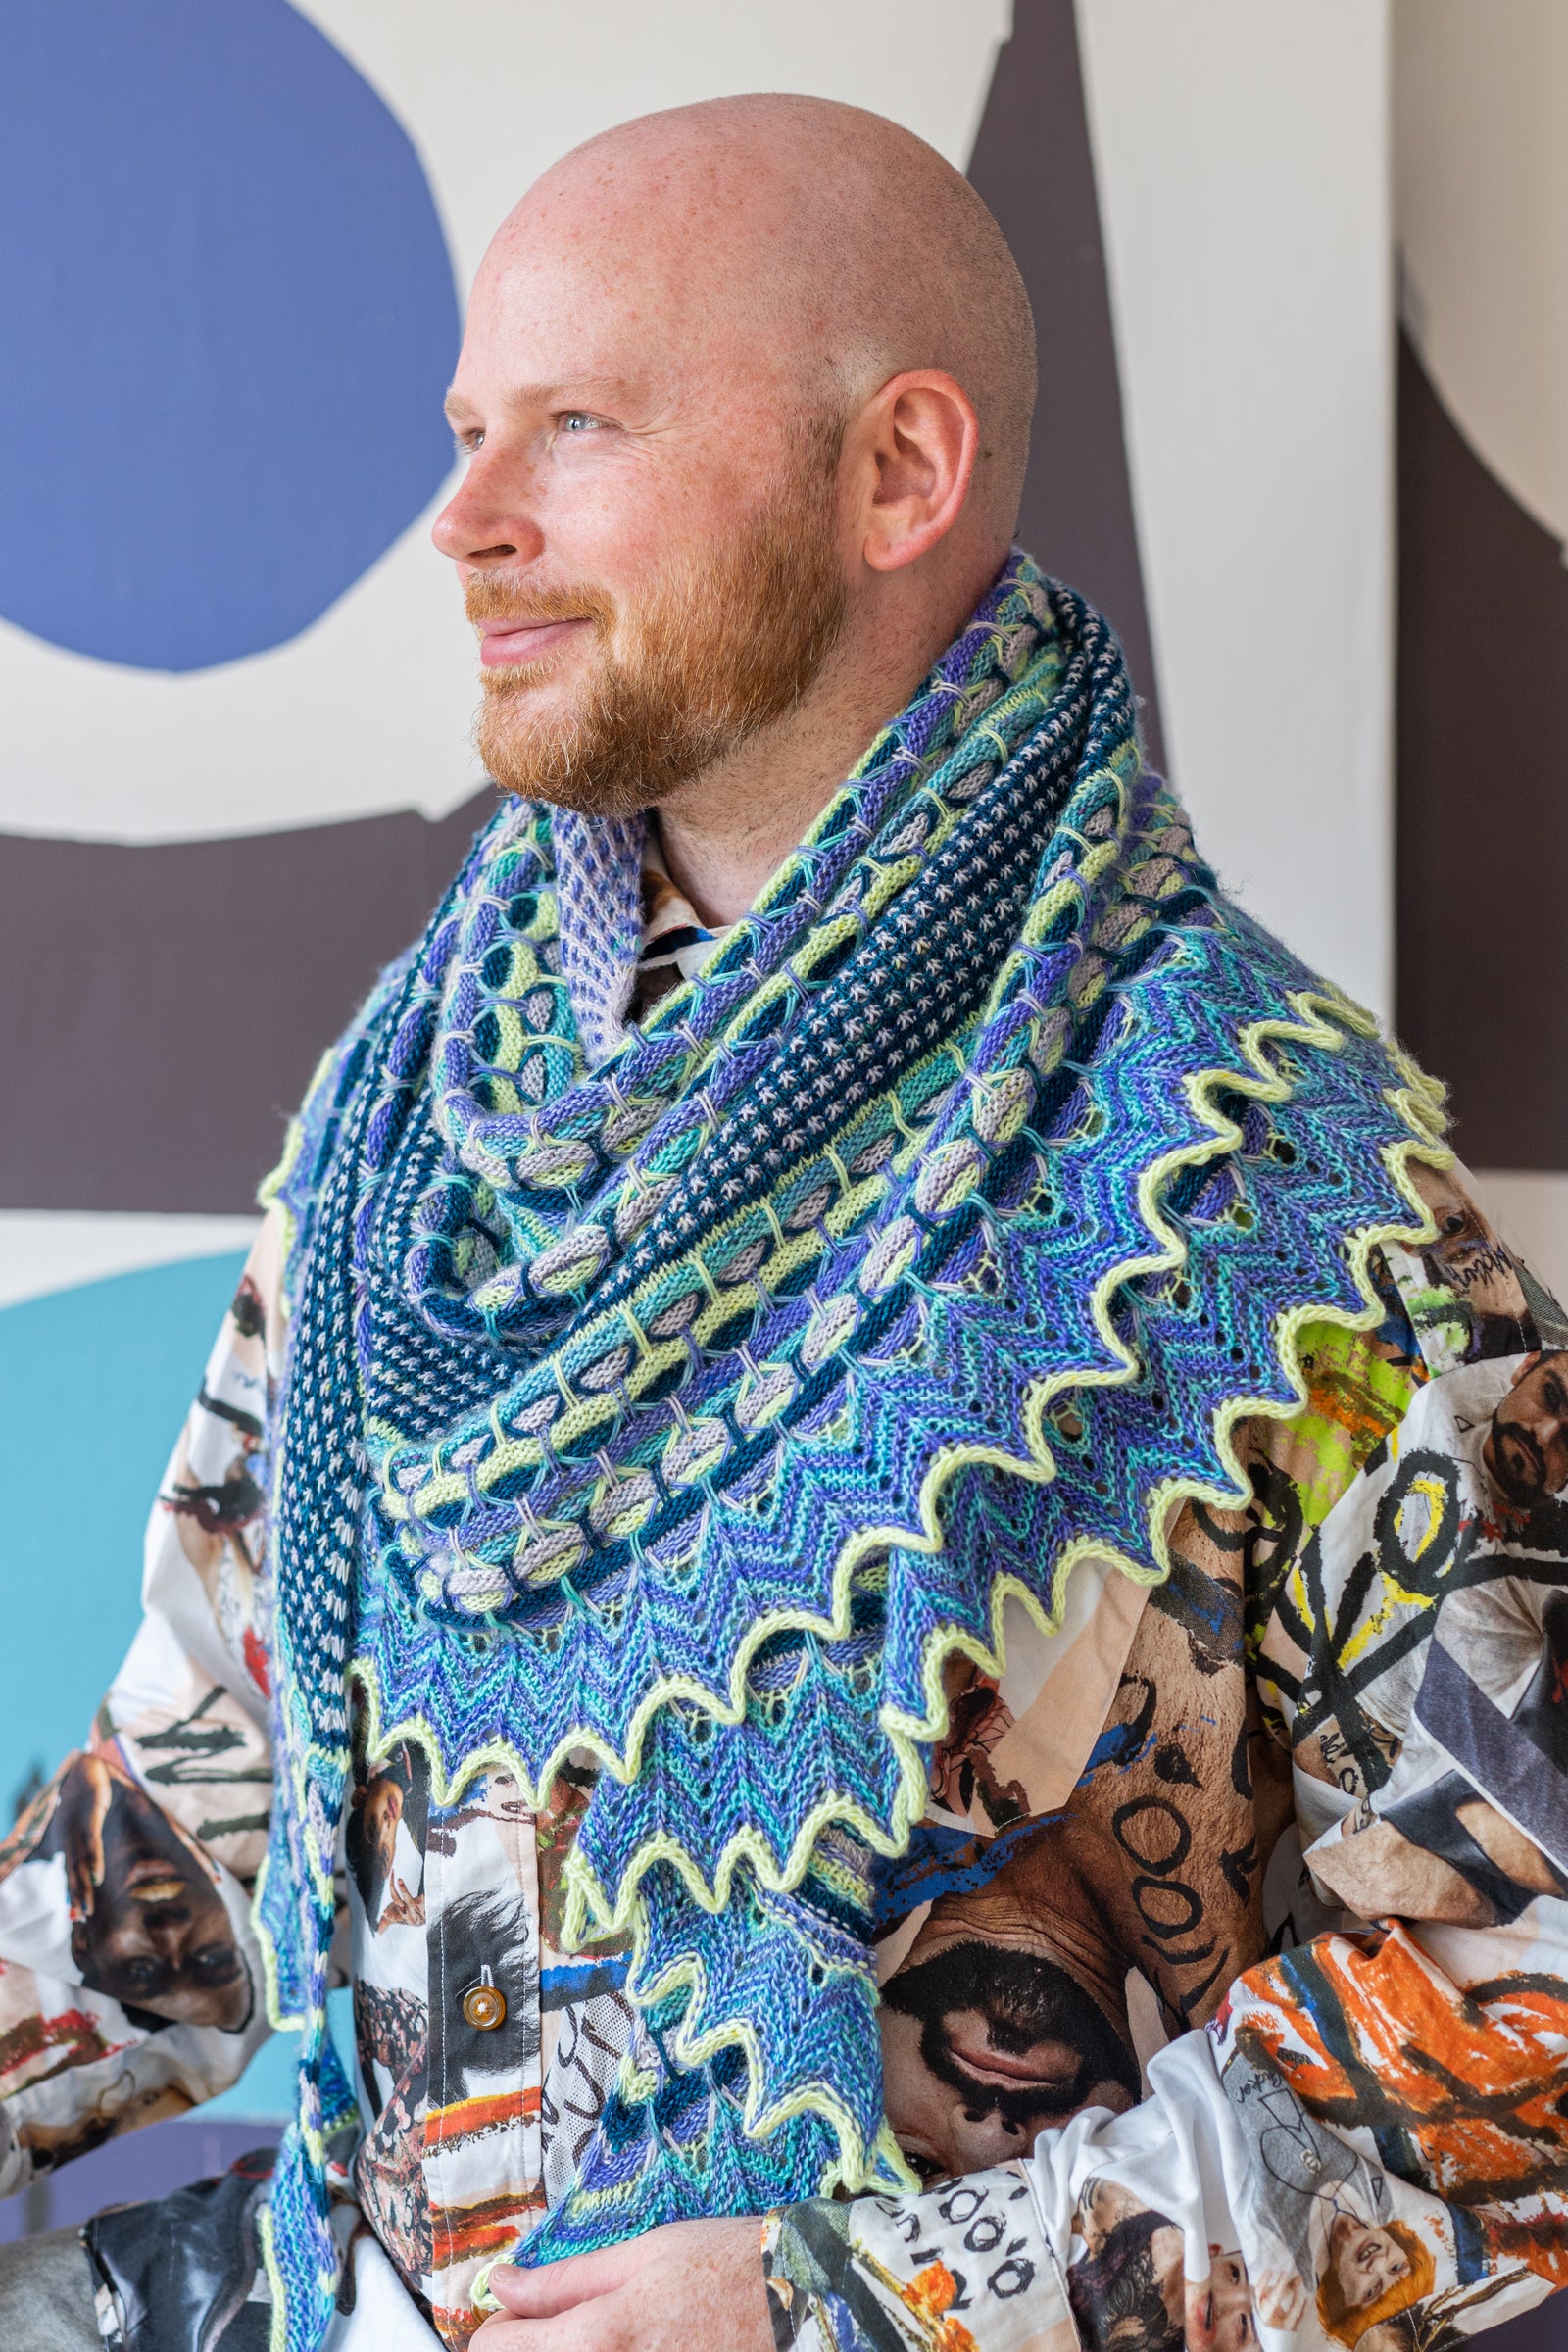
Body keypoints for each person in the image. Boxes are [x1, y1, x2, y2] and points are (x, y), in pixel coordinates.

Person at [0, 88, 1564, 2352]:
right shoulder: (414, 1130)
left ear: (895, 475)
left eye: (577, 424)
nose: (463, 517)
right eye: (467, 425)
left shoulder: (1271, 1185)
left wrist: (876, 2309)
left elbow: (1530, 1995)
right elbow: (208, 1821)